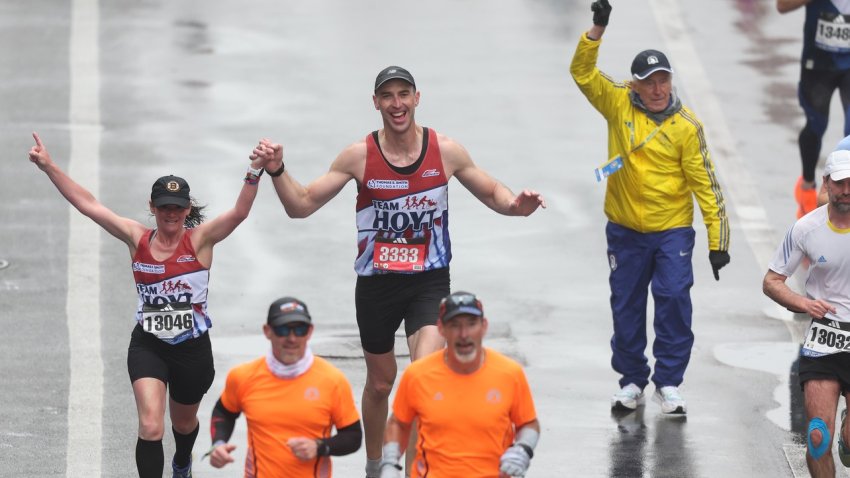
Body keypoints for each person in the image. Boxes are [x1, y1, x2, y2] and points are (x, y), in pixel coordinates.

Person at [252, 65, 546, 476]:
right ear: (376, 103)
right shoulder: (359, 156)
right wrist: (278, 170)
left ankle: (411, 471)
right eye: (387, 96)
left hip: (429, 279)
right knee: (380, 383)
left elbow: (493, 191)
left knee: (421, 376)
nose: (396, 103)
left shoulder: (445, 151)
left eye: (403, 94)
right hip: (377, 284)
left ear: (417, 98)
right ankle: (376, 465)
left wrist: (517, 205)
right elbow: (300, 205)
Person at [27, 132, 267, 478]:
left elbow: (240, 212)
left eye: (178, 207)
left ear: (187, 209)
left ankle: (182, 462)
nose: (171, 214)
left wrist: (255, 170)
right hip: (149, 345)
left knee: (183, 426)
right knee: (151, 426)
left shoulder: (200, 241)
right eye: (164, 207)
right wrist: (49, 167)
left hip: (191, 349)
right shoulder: (136, 237)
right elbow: (89, 204)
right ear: (153, 207)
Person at [570, 0, 731, 415]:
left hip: (672, 231)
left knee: (674, 298)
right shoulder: (618, 102)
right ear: (635, 84)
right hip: (623, 231)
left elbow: (707, 186)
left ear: (670, 81)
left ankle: (670, 382)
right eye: (649, 81)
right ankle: (631, 380)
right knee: (625, 304)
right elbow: (582, 74)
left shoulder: (687, 127)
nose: (658, 89)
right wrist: (597, 30)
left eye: (663, 80)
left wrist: (718, 241)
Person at [378, 291, 540, 478]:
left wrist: (523, 449)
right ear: (441, 329)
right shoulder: (418, 375)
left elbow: (528, 423)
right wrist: (390, 461)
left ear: (484, 327)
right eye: (455, 325)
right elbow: (398, 423)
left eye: (471, 324)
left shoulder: (509, 373)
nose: (464, 334)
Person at [763, 144, 850, 476]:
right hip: (824, 338)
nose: (846, 190)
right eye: (839, 183)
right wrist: (803, 303)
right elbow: (772, 281)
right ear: (826, 183)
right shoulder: (806, 229)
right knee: (816, 437)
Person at [206, 296, 362, 477]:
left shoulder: (332, 380)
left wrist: (320, 446)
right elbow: (224, 411)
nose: (292, 338)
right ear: (267, 331)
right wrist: (218, 445)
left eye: (300, 330)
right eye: (282, 330)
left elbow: (353, 436)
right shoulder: (243, 377)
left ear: (310, 332)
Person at [777, 0, 850, 218]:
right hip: (819, 64)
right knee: (816, 126)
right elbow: (782, 5)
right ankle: (807, 187)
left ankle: (844, 196)